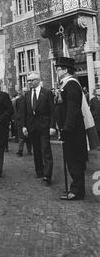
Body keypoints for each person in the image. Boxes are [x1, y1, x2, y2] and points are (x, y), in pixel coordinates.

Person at [55, 57, 89, 200]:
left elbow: (72, 108)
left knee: (75, 160)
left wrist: (67, 128)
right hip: (69, 129)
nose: (57, 71)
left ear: (65, 70)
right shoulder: (65, 85)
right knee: (71, 159)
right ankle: (75, 188)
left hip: (73, 130)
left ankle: (77, 191)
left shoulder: (72, 84)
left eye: (58, 69)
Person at [22, 72, 56, 185]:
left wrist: (52, 126)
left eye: (31, 80)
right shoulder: (27, 95)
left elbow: (52, 111)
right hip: (32, 127)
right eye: (28, 81)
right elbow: (25, 112)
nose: (29, 83)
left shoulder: (46, 93)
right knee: (36, 150)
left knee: (46, 151)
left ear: (38, 80)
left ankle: (47, 175)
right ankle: (39, 170)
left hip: (44, 127)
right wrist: (24, 126)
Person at [16, 88, 32, 157]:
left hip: (29, 120)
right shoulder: (18, 100)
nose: (25, 92)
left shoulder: (30, 99)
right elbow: (17, 109)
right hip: (21, 120)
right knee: (21, 137)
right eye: (24, 91)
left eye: (26, 91)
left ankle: (29, 150)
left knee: (29, 137)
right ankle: (20, 151)